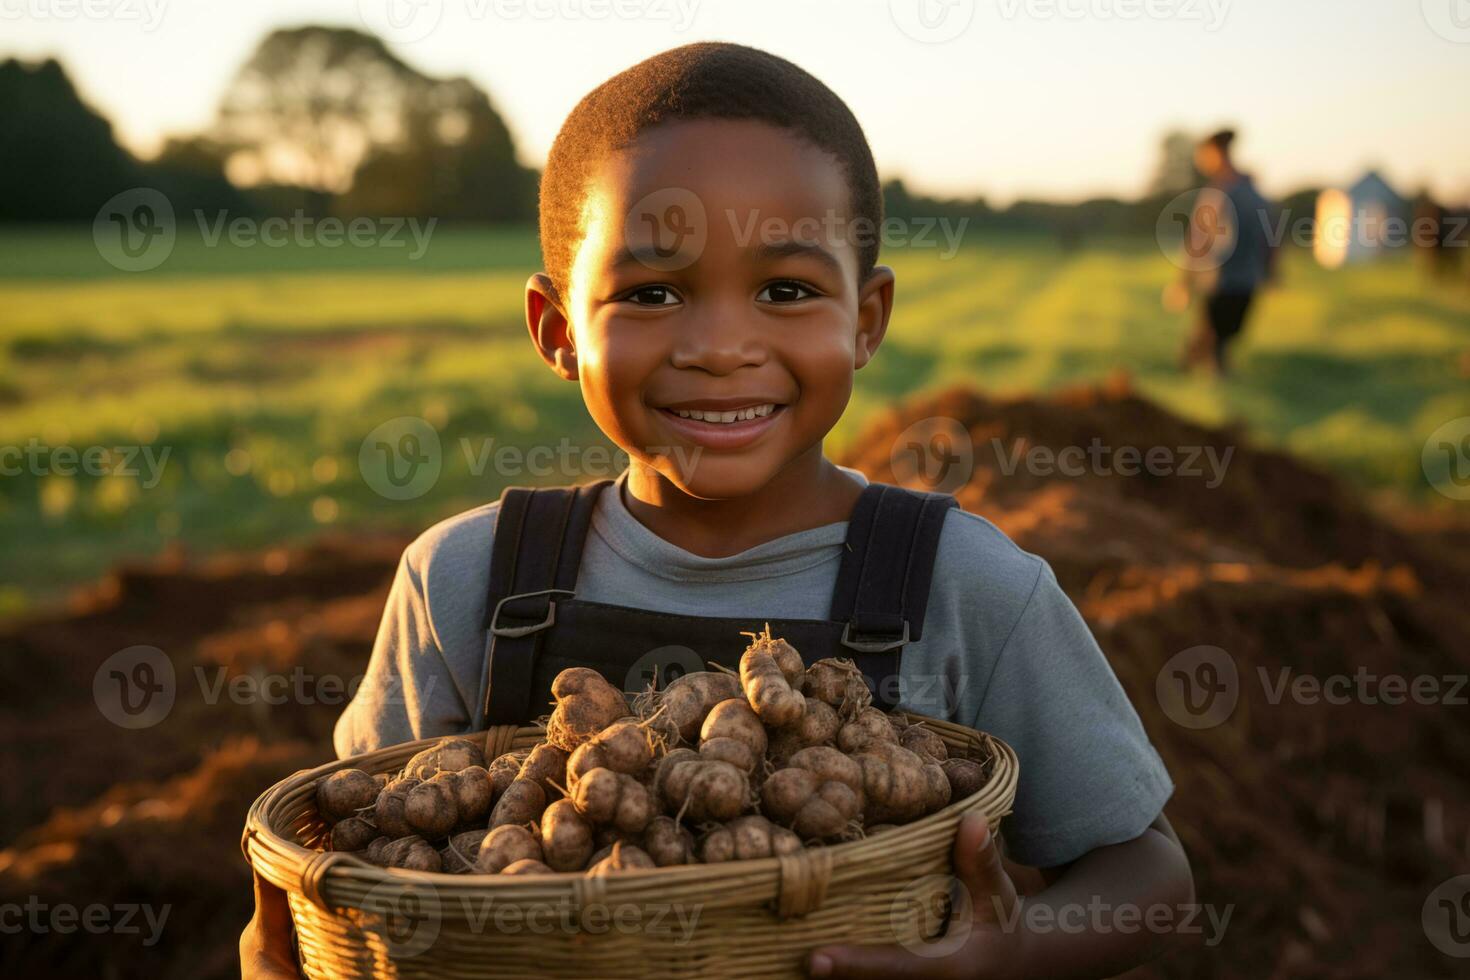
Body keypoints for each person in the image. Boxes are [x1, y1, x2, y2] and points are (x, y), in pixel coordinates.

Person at [243, 42, 1192, 978]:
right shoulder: (463, 577)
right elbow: (355, 839)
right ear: (558, 331)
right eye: (652, 293)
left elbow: (1148, 870)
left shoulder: (969, 586)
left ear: (865, 321)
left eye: (786, 290)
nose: (720, 346)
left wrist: (1013, 955)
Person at [1172, 129, 1277, 375]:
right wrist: (1270, 270)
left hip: (1220, 282)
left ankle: (1199, 377)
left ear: (1216, 154)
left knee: (1215, 339)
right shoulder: (1256, 194)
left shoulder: (1218, 194)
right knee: (1220, 340)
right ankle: (1204, 379)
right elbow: (1272, 236)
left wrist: (1183, 282)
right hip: (1246, 280)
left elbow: (1197, 242)